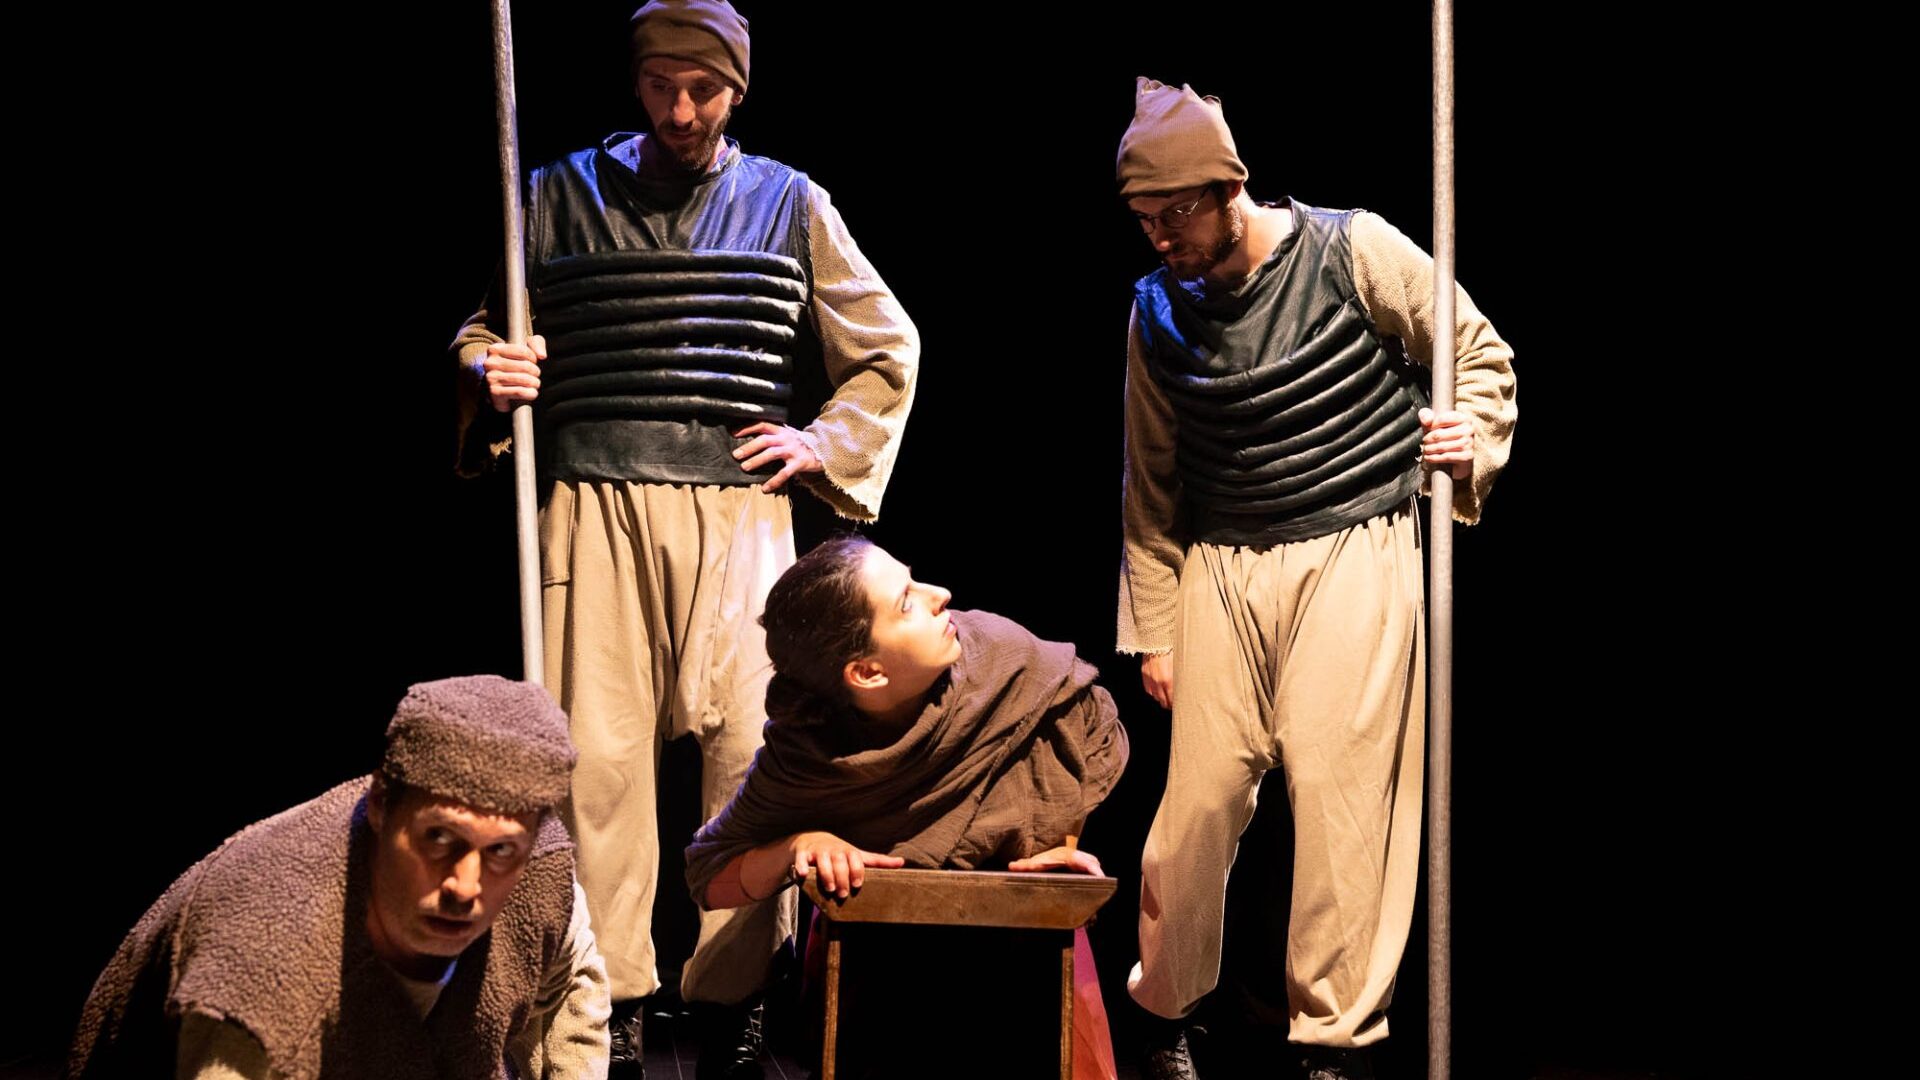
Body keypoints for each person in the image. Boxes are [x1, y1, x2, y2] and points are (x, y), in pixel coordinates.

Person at [451, 3, 919, 1074]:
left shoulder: (789, 201)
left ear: (735, 92)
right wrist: (486, 368)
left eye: (702, 90)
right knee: (597, 768)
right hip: (593, 503)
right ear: (637, 84)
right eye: (660, 86)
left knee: (750, 757)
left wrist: (825, 442)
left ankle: (731, 996)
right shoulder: (555, 194)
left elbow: (886, 346)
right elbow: (483, 329)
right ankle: (603, 997)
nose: (680, 110)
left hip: (738, 511)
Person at [1112, 79, 1517, 1080]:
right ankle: (1165, 1017)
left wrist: (1470, 436)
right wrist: (1154, 630)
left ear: (1229, 188)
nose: (1161, 237)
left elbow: (1475, 352)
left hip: (1353, 545)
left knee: (1344, 805)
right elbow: (1150, 483)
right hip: (1220, 564)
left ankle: (1332, 1045)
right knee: (1195, 812)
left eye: (1175, 213)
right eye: (1144, 219)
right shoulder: (1156, 310)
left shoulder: (1351, 248)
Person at [684, 536, 1128, 1079]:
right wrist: (797, 847)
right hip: (883, 961)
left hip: (1022, 944)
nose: (940, 595)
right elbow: (708, 873)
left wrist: (1059, 843)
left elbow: (1089, 725)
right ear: (867, 672)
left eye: (915, 580)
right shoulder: (808, 752)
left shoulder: (1000, 657)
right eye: (906, 602)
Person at [69, 675, 610, 1079]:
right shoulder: (263, 977)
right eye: (439, 838)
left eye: (500, 850)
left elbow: (573, 979)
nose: (465, 886)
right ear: (380, 805)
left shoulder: (537, 871)